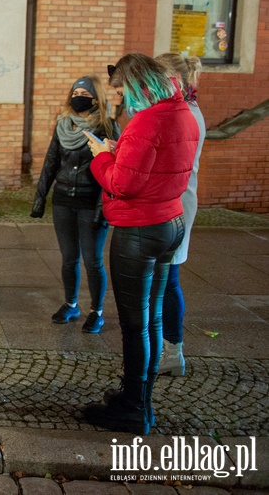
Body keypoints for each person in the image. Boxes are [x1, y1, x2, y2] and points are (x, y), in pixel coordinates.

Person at [82, 54, 199, 434]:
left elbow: (123, 184)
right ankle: (138, 399)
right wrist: (121, 152)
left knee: (136, 325)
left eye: (119, 90)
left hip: (140, 229)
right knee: (150, 319)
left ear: (135, 84)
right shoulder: (183, 111)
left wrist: (101, 158)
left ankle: (133, 408)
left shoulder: (147, 121)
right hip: (170, 221)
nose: (116, 97)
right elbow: (153, 169)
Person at [32, 76, 120, 334]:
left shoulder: (107, 127)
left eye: (84, 92)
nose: (78, 96)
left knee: (93, 260)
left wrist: (102, 211)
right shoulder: (63, 125)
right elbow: (50, 163)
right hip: (63, 200)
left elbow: (114, 169)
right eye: (75, 91)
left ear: (96, 98)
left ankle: (97, 311)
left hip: (90, 202)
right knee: (69, 258)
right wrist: (39, 201)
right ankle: (71, 304)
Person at [154, 53, 206, 377]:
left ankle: (172, 350)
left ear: (174, 79)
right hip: (174, 203)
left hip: (176, 205)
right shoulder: (182, 109)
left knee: (167, 280)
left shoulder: (185, 113)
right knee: (165, 280)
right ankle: (168, 348)